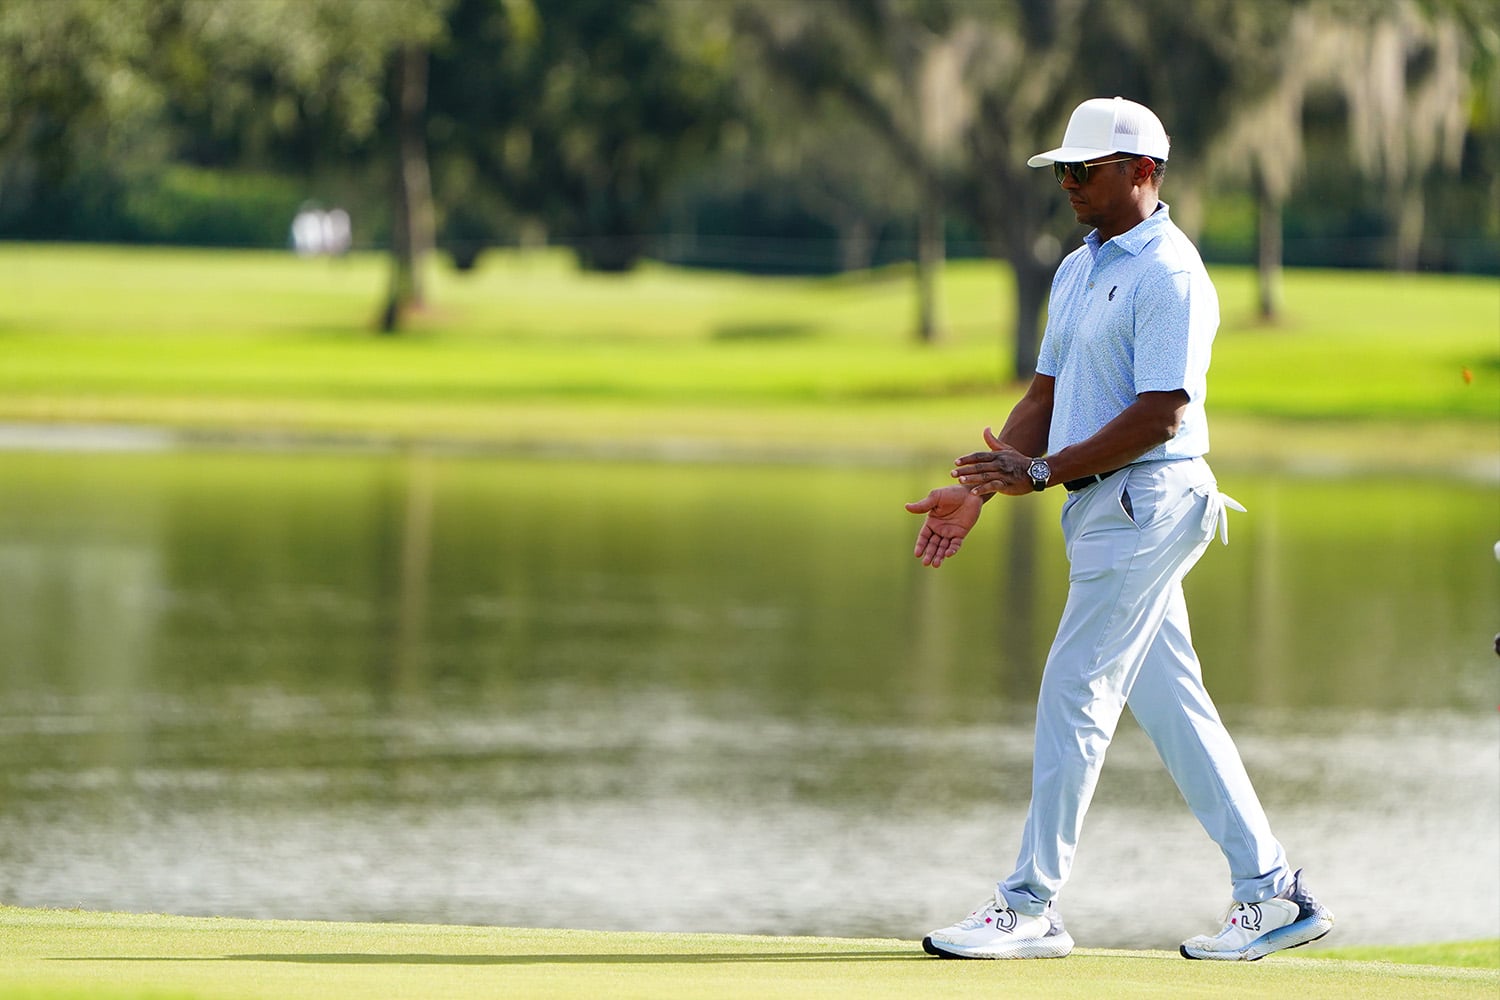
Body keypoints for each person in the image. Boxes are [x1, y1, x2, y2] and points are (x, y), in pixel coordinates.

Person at [904, 97, 1333, 962]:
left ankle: (1030, 903)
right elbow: (1045, 397)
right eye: (1062, 170)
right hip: (1100, 506)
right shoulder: (1078, 266)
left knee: (1075, 692)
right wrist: (988, 487)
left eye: (1084, 170)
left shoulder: (1170, 272)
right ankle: (1272, 891)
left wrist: (1039, 473)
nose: (1067, 184)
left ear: (1143, 172)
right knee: (1172, 705)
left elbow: (1163, 414)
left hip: (1150, 499)